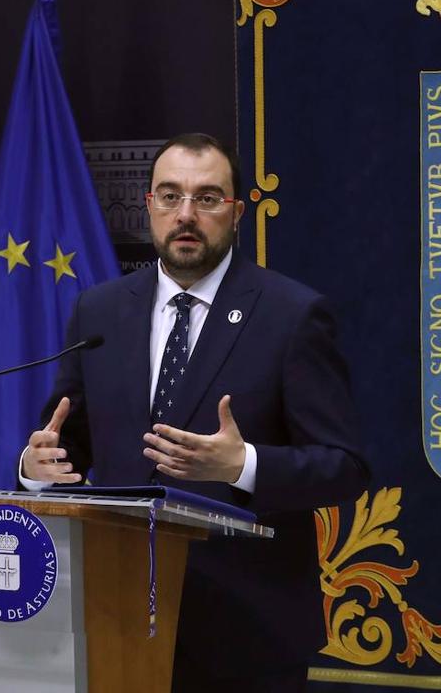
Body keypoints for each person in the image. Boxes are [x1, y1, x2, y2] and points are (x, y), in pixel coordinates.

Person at [20, 133, 368, 692]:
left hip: (247, 633)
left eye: (207, 198)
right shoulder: (100, 310)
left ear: (236, 212)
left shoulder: (293, 315)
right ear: (149, 206)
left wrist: (243, 465)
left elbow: (344, 465)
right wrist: (35, 469)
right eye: (170, 195)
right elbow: (66, 442)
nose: (186, 214)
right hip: (117, 617)